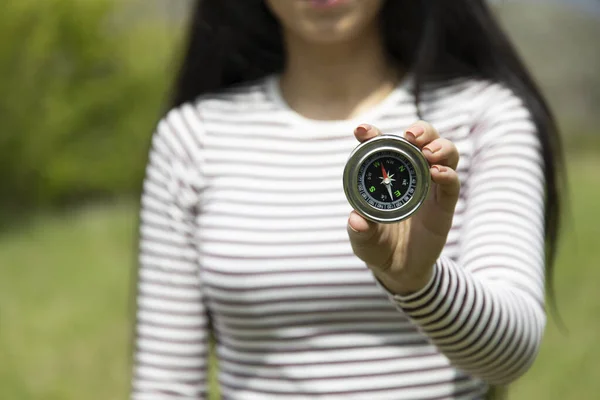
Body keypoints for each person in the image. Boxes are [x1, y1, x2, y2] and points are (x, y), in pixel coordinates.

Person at [130, 0, 564, 399]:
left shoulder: (484, 118)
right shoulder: (193, 138)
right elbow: (165, 387)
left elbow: (511, 356)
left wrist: (419, 283)